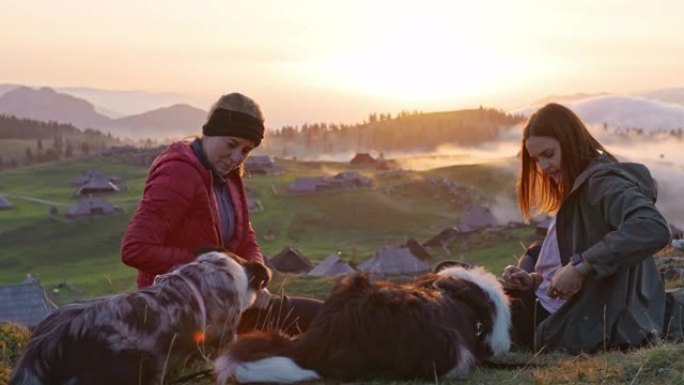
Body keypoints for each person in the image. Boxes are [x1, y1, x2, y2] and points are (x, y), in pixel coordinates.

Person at [121, 92, 322, 335]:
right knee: (309, 326)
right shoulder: (178, 174)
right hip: (177, 310)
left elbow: (245, 235)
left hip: (223, 301)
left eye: (246, 150)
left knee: (326, 317)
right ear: (210, 132)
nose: (237, 158)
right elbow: (135, 249)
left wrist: (254, 273)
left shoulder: (227, 176)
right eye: (231, 144)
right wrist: (218, 272)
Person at [500, 103, 671, 354]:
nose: (544, 167)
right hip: (557, 306)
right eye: (537, 160)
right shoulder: (578, 185)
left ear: (569, 142)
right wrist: (534, 280)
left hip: (574, 319)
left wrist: (582, 266)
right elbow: (573, 257)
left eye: (549, 154)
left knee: (467, 302)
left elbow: (653, 227)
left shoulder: (602, 183)